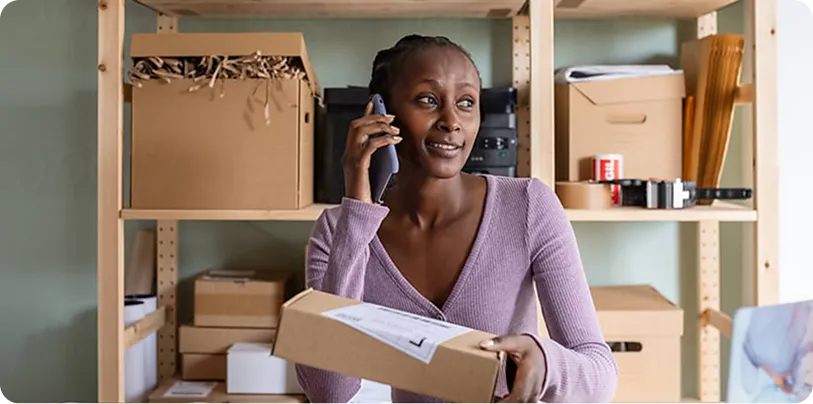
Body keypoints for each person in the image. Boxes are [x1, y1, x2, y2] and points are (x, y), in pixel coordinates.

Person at [296, 34, 618, 404]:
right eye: (428, 100)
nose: (451, 121)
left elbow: (600, 377)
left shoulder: (529, 206)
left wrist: (543, 364)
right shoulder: (338, 230)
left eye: (466, 102)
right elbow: (329, 392)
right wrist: (357, 203)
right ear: (379, 113)